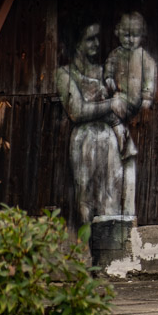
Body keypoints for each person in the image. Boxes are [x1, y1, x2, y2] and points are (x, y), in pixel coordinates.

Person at [55, 22, 137, 223]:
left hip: (108, 138)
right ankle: (87, 247)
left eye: (97, 38)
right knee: (85, 195)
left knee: (112, 195)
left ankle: (112, 246)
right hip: (85, 140)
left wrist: (115, 117)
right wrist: (110, 106)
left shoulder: (103, 72)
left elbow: (123, 103)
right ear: (77, 43)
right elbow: (77, 111)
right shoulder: (64, 74)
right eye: (90, 38)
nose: (96, 43)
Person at [104, 12, 157, 113]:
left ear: (142, 35)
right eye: (127, 35)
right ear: (118, 32)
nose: (131, 40)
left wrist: (147, 97)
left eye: (135, 35)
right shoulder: (115, 54)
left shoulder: (144, 57)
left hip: (136, 99)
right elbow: (109, 66)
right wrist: (108, 78)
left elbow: (149, 75)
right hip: (118, 96)